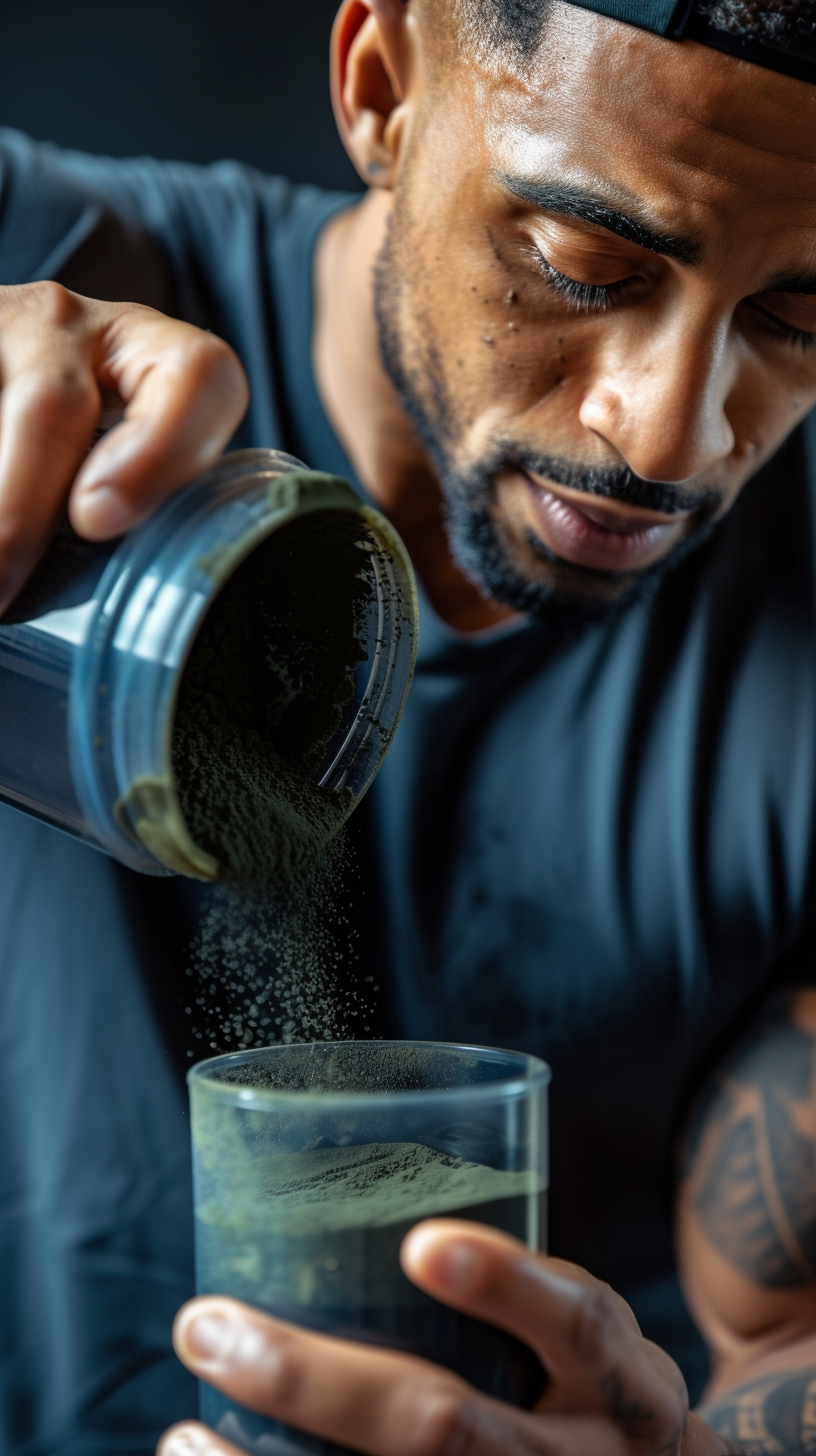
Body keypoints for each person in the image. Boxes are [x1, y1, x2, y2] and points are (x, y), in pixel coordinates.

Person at [0, 0, 815, 1451]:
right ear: (381, 89)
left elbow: (786, 1328)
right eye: (587, 263)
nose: (674, 435)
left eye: (803, 318)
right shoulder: (40, 265)